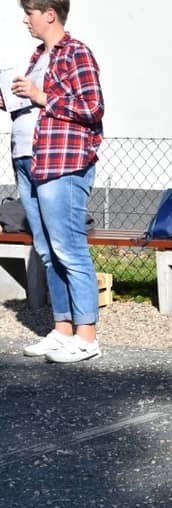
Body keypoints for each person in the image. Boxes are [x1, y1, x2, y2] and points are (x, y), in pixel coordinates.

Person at [2, 0, 103, 363]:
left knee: (69, 249)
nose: (24, 19)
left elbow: (92, 107)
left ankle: (87, 338)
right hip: (28, 159)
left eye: (29, 12)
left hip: (61, 161)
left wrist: (40, 95)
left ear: (49, 13)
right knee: (47, 252)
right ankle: (63, 331)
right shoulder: (36, 58)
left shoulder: (76, 53)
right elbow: (35, 106)